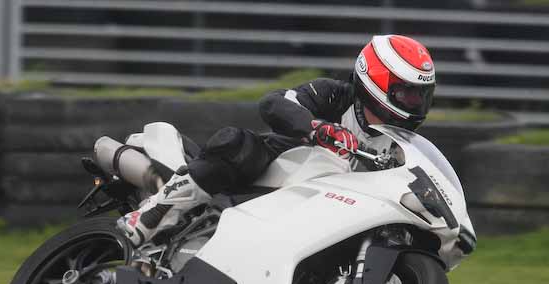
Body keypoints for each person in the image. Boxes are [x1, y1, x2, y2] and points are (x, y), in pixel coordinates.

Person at [116, 34, 436, 247]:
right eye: (406, 94)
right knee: (236, 144)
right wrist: (316, 128)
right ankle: (155, 212)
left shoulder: (402, 147)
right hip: (275, 173)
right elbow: (275, 102)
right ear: (376, 80)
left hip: (324, 214)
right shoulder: (335, 95)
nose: (414, 104)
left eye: (420, 96)